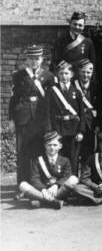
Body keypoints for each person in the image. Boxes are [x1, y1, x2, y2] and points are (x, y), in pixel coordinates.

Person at [10, 46, 55, 185]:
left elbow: (52, 99)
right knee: (22, 151)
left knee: (40, 150)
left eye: (37, 58)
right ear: (27, 59)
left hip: (40, 118)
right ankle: (22, 184)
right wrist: (11, 119)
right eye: (31, 58)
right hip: (23, 118)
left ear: (41, 59)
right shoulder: (18, 75)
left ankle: (39, 182)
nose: (34, 61)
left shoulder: (48, 76)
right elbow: (14, 98)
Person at [18, 131, 79, 209]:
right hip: (43, 190)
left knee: (74, 179)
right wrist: (43, 189)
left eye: (55, 145)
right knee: (23, 185)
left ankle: (42, 200)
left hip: (58, 191)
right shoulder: (37, 160)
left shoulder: (65, 160)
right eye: (49, 145)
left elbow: (67, 176)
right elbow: (34, 178)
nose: (52, 148)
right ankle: (53, 201)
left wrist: (56, 185)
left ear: (60, 146)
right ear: (45, 146)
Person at [46, 60, 84, 175]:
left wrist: (81, 131)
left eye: (66, 73)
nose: (64, 76)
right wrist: (50, 131)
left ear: (71, 75)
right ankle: (59, 183)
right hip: (58, 129)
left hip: (73, 130)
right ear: (58, 74)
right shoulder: (52, 91)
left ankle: (72, 183)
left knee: (73, 158)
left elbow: (81, 113)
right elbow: (47, 113)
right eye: (61, 73)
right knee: (59, 158)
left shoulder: (76, 92)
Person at [73, 59, 97, 170]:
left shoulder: (95, 86)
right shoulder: (73, 85)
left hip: (91, 124)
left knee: (88, 153)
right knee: (75, 153)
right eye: (83, 72)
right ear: (79, 72)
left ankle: (85, 177)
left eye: (88, 72)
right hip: (77, 124)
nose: (85, 75)